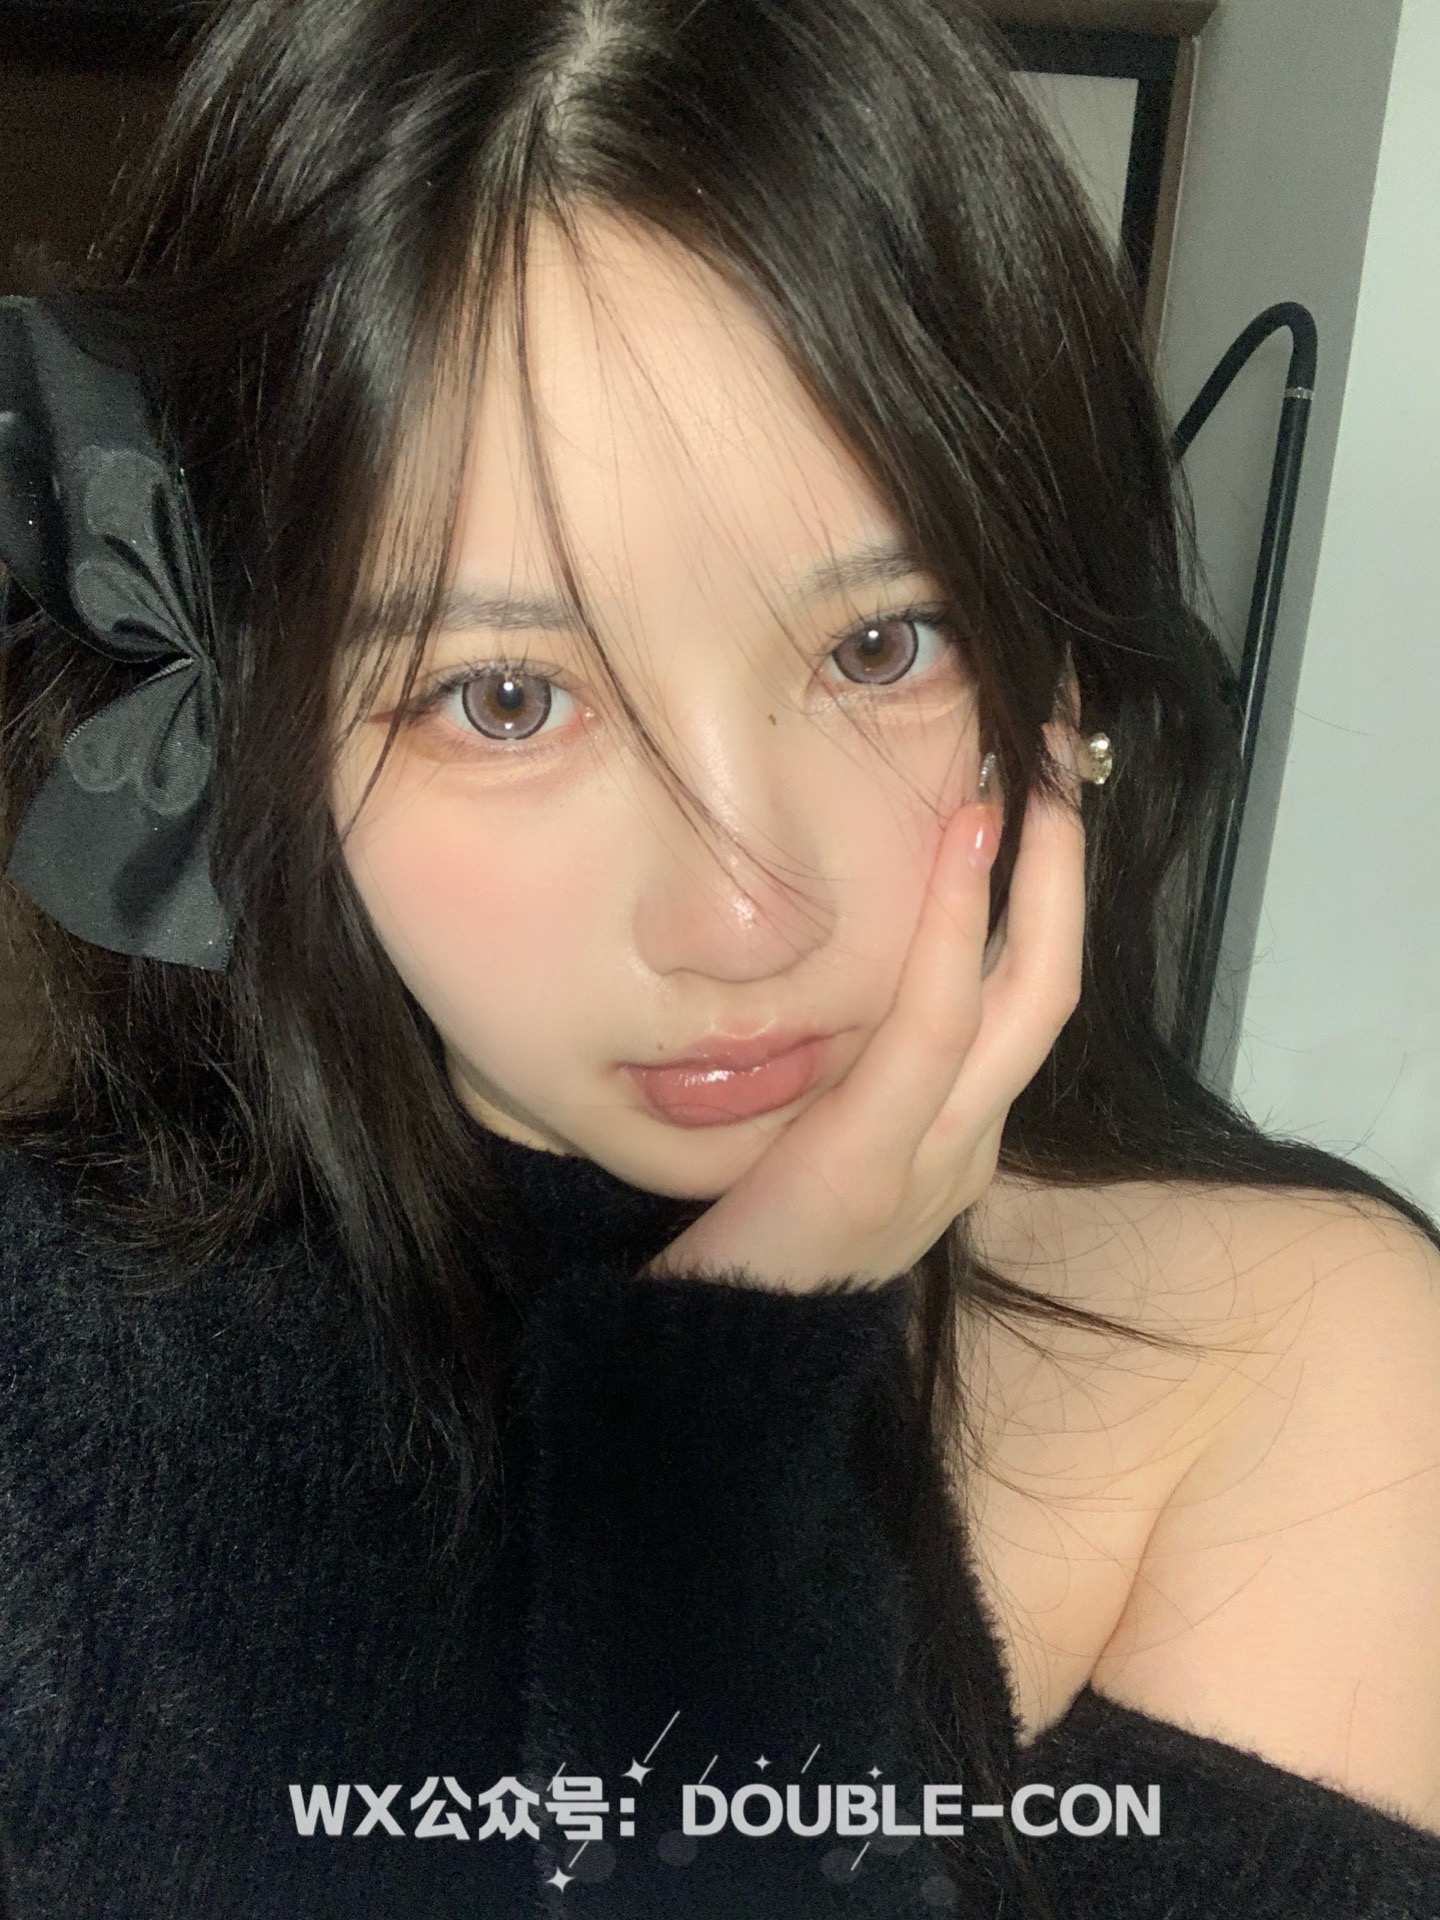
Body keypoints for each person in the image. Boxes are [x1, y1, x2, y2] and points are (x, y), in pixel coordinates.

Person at [0, 0, 1436, 1916]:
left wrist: (732, 1421)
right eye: (504, 696)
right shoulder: (53, 1374)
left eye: (880, 647)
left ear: (1059, 675)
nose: (746, 916)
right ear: (249, 727)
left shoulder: (1281, 1367)